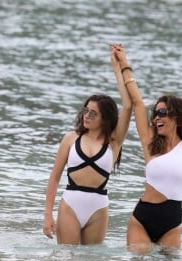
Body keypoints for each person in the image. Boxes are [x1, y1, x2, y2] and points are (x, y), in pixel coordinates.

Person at [113, 45, 182, 254]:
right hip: (142, 218)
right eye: (156, 114)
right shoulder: (150, 141)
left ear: (177, 116)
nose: (157, 117)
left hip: (172, 222)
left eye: (162, 112)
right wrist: (124, 64)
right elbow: (137, 102)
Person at [43, 45, 132, 245]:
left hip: (99, 207)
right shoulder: (71, 138)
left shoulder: (114, 142)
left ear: (105, 119)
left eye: (93, 113)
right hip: (71, 203)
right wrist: (48, 215)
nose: (87, 116)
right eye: (86, 111)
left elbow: (128, 106)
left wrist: (119, 68)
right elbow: (55, 176)